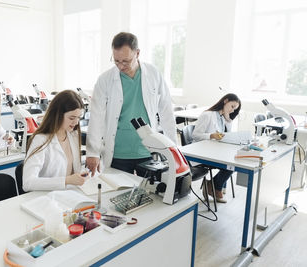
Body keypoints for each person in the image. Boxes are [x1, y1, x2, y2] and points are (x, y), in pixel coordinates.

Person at [86, 32, 176, 176]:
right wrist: (92, 152)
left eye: (126, 61)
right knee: (116, 194)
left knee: (149, 195)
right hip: (118, 152)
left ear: (137, 53)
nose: (121, 66)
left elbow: (166, 111)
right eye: (116, 61)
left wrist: (173, 147)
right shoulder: (105, 80)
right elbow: (96, 117)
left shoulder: (153, 74)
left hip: (147, 150)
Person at [23, 90, 87, 191]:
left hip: (69, 194)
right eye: (71, 118)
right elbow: (28, 183)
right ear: (58, 114)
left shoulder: (73, 135)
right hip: (46, 198)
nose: (76, 122)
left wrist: (81, 175)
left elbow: (70, 170)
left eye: (79, 118)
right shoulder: (41, 139)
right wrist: (67, 180)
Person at [192, 93, 241, 203]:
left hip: (214, 151)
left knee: (234, 162)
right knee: (230, 164)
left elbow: (227, 134)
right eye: (232, 106)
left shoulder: (222, 117)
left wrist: (228, 119)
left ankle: (212, 185)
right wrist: (211, 135)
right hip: (202, 152)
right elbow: (195, 135)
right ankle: (215, 186)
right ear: (225, 101)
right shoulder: (207, 115)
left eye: (235, 109)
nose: (233, 110)